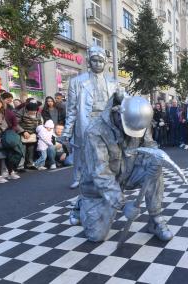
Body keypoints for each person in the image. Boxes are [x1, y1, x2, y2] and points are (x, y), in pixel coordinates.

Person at [69, 95, 173, 242]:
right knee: (96, 236)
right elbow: (101, 173)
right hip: (97, 187)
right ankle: (82, 203)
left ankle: (155, 219)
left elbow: (149, 146)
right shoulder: (95, 131)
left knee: (154, 171)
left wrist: (154, 159)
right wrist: (123, 205)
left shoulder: (140, 120)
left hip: (126, 175)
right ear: (118, 113)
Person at [62, 46, 117, 189]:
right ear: (89, 62)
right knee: (81, 151)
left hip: (106, 121)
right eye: (94, 60)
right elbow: (72, 109)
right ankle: (78, 177)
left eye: (100, 61)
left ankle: (106, 177)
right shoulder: (77, 81)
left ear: (105, 63)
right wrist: (67, 131)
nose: (98, 64)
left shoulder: (112, 82)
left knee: (107, 150)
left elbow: (116, 104)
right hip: (87, 120)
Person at [18, 99, 42, 169]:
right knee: (23, 150)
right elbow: (16, 123)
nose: (33, 113)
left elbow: (40, 122)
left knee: (31, 150)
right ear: (27, 110)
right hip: (23, 133)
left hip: (33, 134)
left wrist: (38, 131)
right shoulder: (21, 111)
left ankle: (30, 164)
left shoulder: (38, 113)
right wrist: (23, 131)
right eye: (31, 112)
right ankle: (20, 166)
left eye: (35, 112)